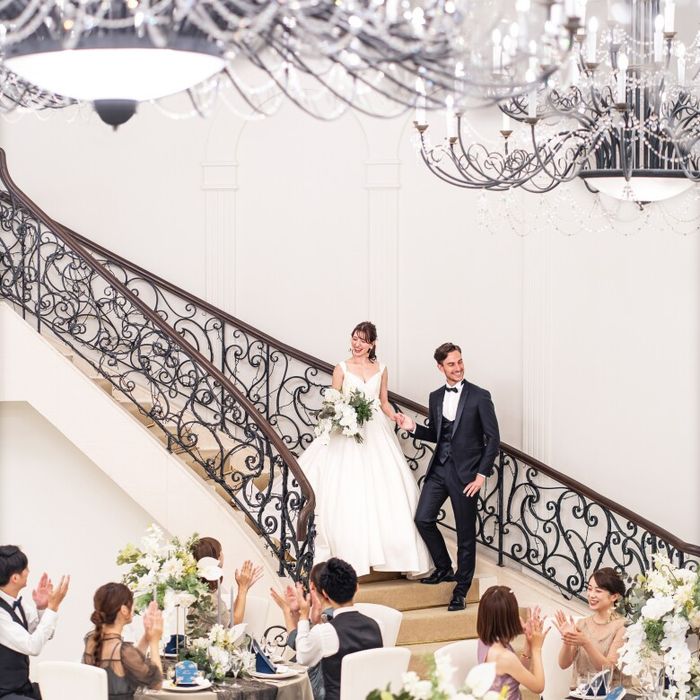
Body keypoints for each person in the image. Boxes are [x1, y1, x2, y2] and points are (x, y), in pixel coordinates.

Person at [299, 321, 431, 577]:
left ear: (372, 344)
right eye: (355, 339)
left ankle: (395, 553)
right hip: (347, 433)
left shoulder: (381, 369)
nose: (357, 344)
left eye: (363, 340)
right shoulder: (341, 368)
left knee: (386, 486)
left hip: (376, 430)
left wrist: (395, 417)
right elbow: (333, 400)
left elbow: (383, 402)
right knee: (348, 487)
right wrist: (340, 415)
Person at [396, 343, 500, 611]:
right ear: (440, 367)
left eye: (460, 361)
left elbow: (493, 439)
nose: (458, 368)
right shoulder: (435, 397)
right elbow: (437, 434)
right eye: (451, 364)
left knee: (465, 534)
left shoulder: (480, 396)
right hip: (439, 470)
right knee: (423, 518)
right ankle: (444, 567)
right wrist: (412, 427)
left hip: (467, 475)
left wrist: (481, 476)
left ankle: (461, 590)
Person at [294, 558, 383, 700]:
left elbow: (302, 657)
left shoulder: (324, 632)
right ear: (357, 587)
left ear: (325, 594)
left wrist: (304, 615)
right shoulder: (378, 625)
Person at [0, 545, 70, 700]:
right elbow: (33, 646)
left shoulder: (17, 602)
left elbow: (46, 634)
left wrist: (43, 607)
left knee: (63, 691)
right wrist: (53, 607)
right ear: (15, 578)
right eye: (25, 568)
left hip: (22, 686)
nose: (29, 571)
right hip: (4, 692)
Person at [82, 582, 163, 700]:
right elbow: (156, 684)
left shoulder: (91, 640)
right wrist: (154, 642)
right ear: (124, 610)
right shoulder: (122, 651)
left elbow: (132, 663)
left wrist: (147, 637)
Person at [555, 568, 630, 689]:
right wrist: (567, 639)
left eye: (598, 591)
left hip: (608, 694)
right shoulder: (581, 624)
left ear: (614, 596)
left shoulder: (622, 626)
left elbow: (608, 670)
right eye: (589, 589)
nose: (591, 595)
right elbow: (563, 664)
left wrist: (586, 643)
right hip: (579, 693)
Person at [270, 562, 331, 700]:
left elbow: (302, 648)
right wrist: (296, 613)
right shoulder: (335, 617)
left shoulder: (327, 624)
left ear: (312, 587)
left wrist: (289, 611)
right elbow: (300, 639)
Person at [476, 585, 547, 700]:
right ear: (510, 618)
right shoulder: (504, 657)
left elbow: (516, 674)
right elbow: (538, 687)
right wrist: (536, 648)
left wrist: (529, 644)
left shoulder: (484, 641)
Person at [188, 536, 263, 637]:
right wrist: (243, 589)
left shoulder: (199, 589)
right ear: (217, 558)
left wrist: (243, 588)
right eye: (221, 551)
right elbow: (234, 623)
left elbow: (228, 617)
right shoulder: (207, 597)